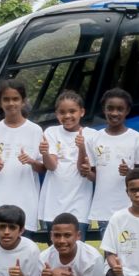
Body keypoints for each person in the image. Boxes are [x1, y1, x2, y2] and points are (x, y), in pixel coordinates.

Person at [0, 78, 46, 236]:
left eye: (15, 99)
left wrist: (32, 162)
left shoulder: (35, 130)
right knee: (2, 244)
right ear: (0, 102)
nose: (11, 103)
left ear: (23, 101)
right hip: (0, 197)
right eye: (6, 99)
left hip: (27, 198)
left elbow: (42, 167)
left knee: (25, 245)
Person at [85, 89, 139, 234]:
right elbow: (94, 175)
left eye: (120, 109)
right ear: (104, 110)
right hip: (104, 209)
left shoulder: (137, 138)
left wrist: (129, 173)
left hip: (131, 207)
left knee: (131, 249)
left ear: (127, 111)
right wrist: (86, 172)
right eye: (110, 108)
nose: (114, 113)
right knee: (109, 253)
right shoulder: (94, 139)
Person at [39, 92, 94, 239]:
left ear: (82, 112)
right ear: (56, 114)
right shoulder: (51, 132)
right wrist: (44, 153)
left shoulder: (92, 135)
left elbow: (84, 170)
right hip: (53, 201)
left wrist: (82, 147)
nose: (67, 116)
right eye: (62, 112)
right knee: (56, 246)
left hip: (79, 201)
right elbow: (52, 166)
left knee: (77, 246)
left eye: (72, 111)